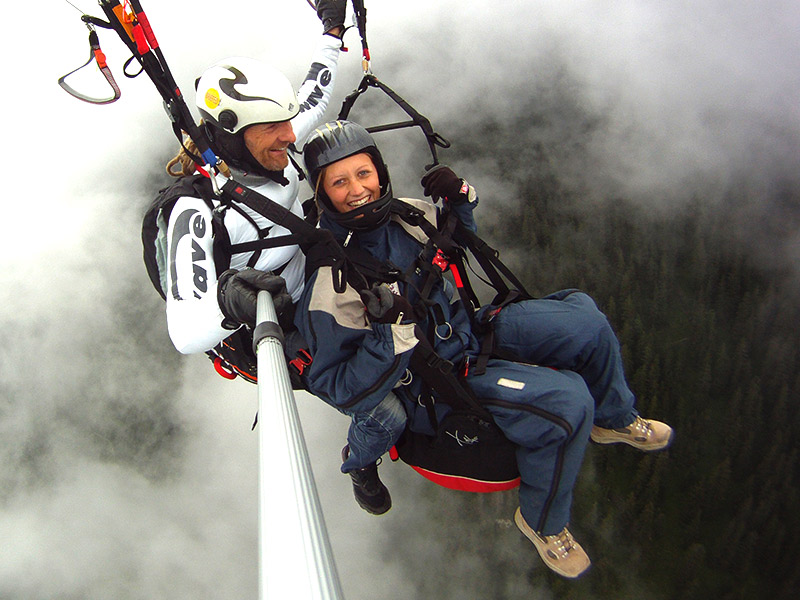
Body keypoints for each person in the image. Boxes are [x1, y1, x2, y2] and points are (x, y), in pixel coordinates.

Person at [295, 120, 674, 579]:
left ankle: (614, 419)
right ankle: (543, 524)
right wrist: (391, 334)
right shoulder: (330, 279)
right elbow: (339, 388)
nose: (358, 189)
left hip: (468, 332)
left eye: (364, 173)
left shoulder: (408, 215)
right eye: (340, 181)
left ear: (380, 171)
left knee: (586, 321)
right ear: (323, 194)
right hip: (432, 381)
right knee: (568, 400)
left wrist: (460, 199)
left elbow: (458, 239)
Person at [163, 1, 347, 355]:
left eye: (286, 121)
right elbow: (184, 334)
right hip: (283, 326)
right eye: (273, 126)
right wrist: (228, 303)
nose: (291, 136)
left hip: (318, 279)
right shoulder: (196, 210)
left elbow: (315, 96)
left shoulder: (269, 148)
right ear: (233, 136)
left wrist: (332, 32)